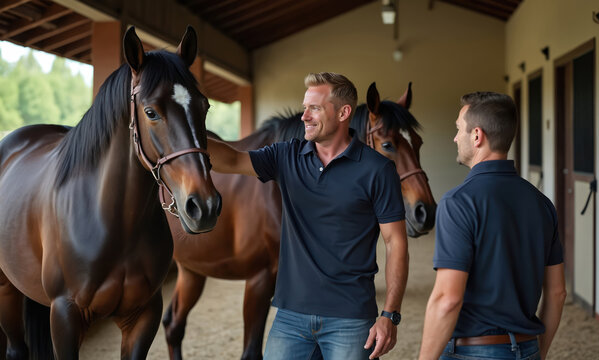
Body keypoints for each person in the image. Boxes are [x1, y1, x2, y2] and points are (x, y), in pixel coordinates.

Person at [207, 72, 409, 359]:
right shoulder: (286, 156)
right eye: (305, 107)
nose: (305, 116)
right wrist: (180, 131)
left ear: (343, 112)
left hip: (350, 320)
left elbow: (396, 243)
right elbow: (230, 159)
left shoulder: (377, 170)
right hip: (290, 318)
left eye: (315, 108)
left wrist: (390, 314)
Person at [417, 92, 567, 360]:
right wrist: (538, 351)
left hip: (472, 352)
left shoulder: (458, 201)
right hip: (527, 347)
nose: (455, 138)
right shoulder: (542, 203)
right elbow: (557, 293)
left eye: (458, 129)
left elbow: (447, 299)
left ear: (477, 136)